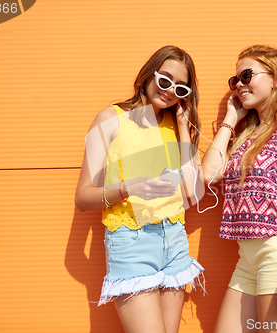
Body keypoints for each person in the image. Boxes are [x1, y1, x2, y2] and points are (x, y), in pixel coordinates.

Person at [74, 45, 204, 333]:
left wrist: (184, 128)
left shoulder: (175, 125)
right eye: (165, 79)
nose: (170, 91)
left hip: (174, 240)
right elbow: (82, 197)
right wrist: (130, 187)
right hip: (130, 243)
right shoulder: (110, 119)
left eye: (180, 88)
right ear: (149, 73)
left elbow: (194, 193)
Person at [201, 45, 277, 333]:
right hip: (247, 258)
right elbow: (208, 173)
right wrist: (231, 119)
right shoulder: (246, 134)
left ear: (276, 79)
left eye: (246, 75)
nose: (240, 86)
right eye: (235, 81)